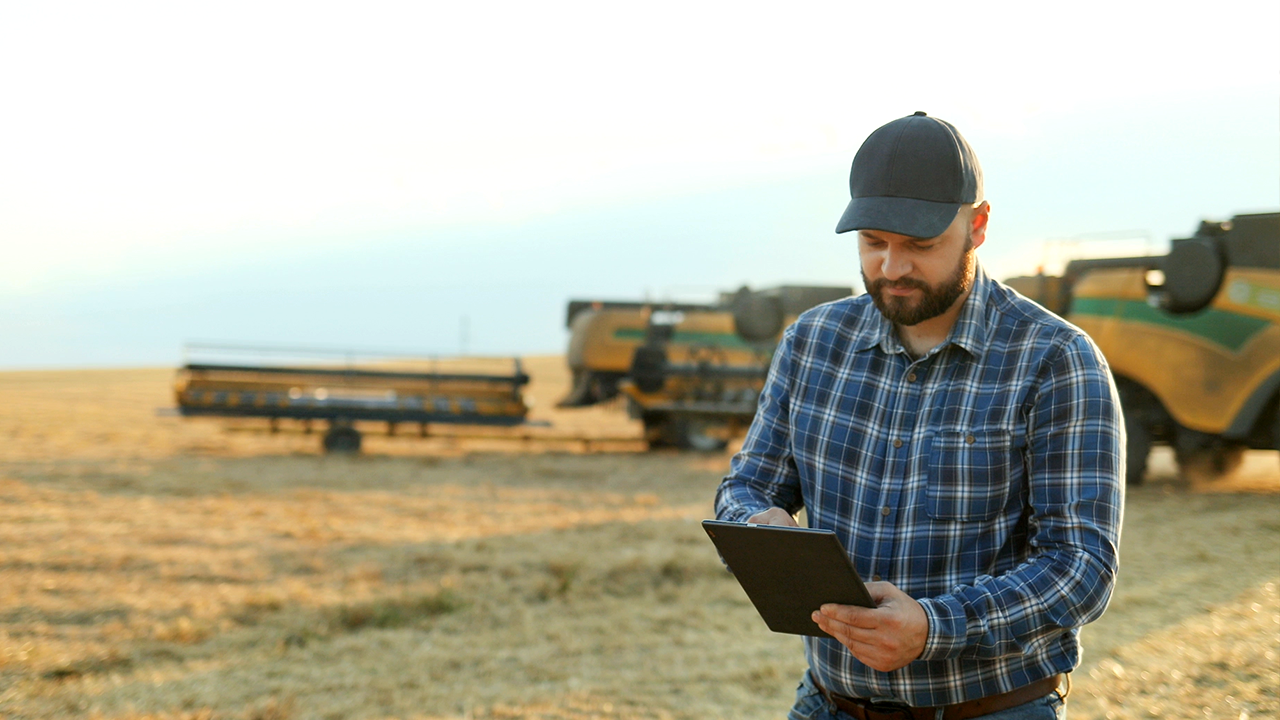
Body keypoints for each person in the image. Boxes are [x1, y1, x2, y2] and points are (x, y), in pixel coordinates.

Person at [714, 112, 1124, 720]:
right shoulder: (812, 341)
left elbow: (1080, 566)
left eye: (920, 245)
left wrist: (935, 627)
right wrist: (756, 525)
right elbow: (746, 486)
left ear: (978, 225)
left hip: (991, 709)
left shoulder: (1056, 360)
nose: (892, 267)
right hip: (828, 704)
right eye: (874, 242)